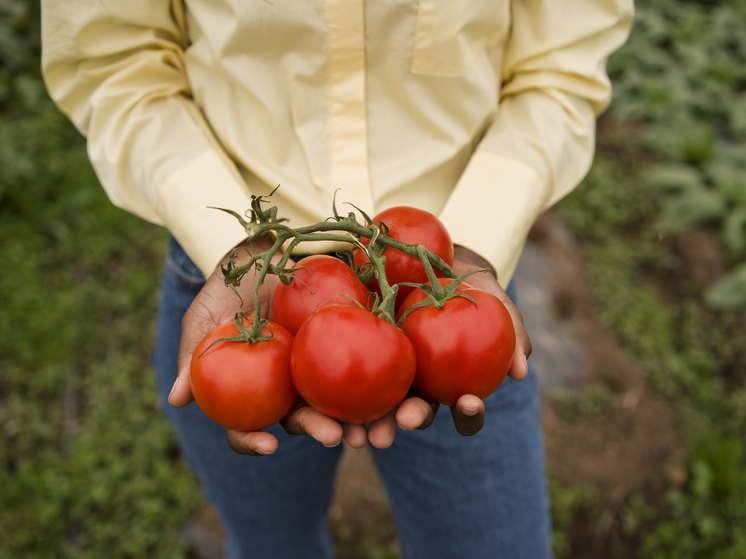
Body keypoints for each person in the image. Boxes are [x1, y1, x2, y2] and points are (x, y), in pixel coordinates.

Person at [41, 1, 634, 557]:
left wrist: (477, 238)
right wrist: (240, 246)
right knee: (272, 545)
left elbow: (562, 62)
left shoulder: (448, 297)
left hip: (450, 284)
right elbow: (114, 59)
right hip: (245, 297)